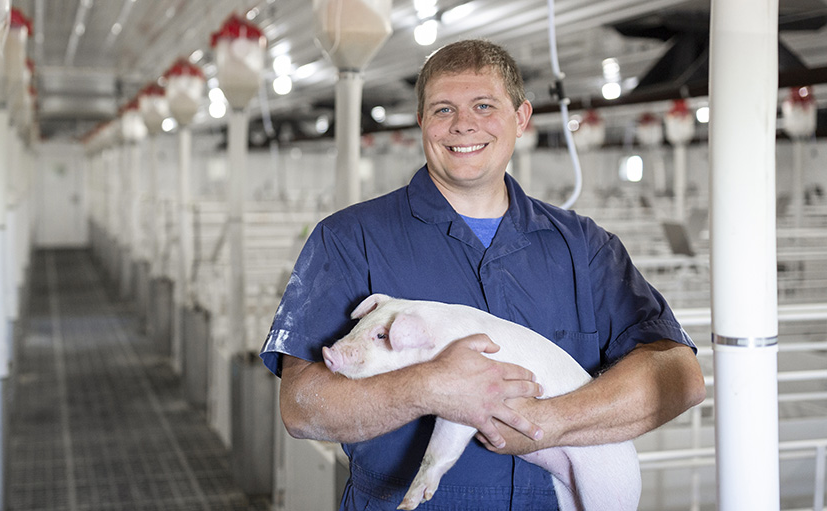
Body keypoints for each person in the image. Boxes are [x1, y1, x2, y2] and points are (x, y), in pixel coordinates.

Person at [260, 39, 705, 510]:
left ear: (521, 118)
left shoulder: (584, 247)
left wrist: (545, 423)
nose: (463, 124)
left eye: (484, 106)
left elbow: (679, 375)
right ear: (422, 123)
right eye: (443, 109)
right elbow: (302, 407)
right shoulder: (348, 239)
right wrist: (429, 387)